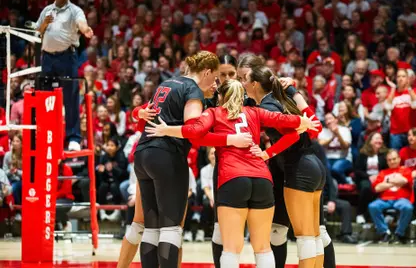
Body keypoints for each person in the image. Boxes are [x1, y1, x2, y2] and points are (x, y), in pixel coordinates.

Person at [145, 80, 317, 268]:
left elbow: (194, 132)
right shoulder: (256, 112)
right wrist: (303, 121)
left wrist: (166, 129)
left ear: (221, 97)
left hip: (233, 179)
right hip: (262, 179)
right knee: (263, 248)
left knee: (231, 249)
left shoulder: (213, 112)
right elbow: (285, 120)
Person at [133, 51, 250, 268]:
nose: (215, 83)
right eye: (214, 77)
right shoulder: (192, 90)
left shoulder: (166, 83)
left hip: (142, 154)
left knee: (151, 227)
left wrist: (135, 114)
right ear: (206, 72)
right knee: (170, 228)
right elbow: (194, 131)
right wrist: (230, 139)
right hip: (166, 156)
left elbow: (145, 115)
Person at [241, 65, 327, 268]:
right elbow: (316, 127)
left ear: (254, 84)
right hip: (314, 166)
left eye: (245, 79)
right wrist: (294, 92)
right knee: (314, 235)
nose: (242, 83)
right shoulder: (282, 99)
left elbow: (293, 134)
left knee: (305, 236)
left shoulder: (269, 106)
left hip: (299, 168)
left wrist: (266, 153)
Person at [36, 0, 93, 151]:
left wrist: (85, 30)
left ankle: (73, 138)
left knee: (70, 97)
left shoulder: (75, 10)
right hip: (47, 59)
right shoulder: (47, 10)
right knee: (46, 98)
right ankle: (47, 135)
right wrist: (44, 24)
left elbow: (81, 23)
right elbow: (38, 30)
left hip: (67, 58)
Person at [368, 149, 414, 244]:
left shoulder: (405, 169)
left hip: (401, 199)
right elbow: (377, 188)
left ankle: (399, 234)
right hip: (384, 199)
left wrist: (386, 182)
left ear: (399, 159)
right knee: (373, 206)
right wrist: (394, 181)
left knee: (408, 207)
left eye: (394, 159)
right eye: (389, 160)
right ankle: (384, 232)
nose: (392, 161)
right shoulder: (383, 173)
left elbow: (404, 181)